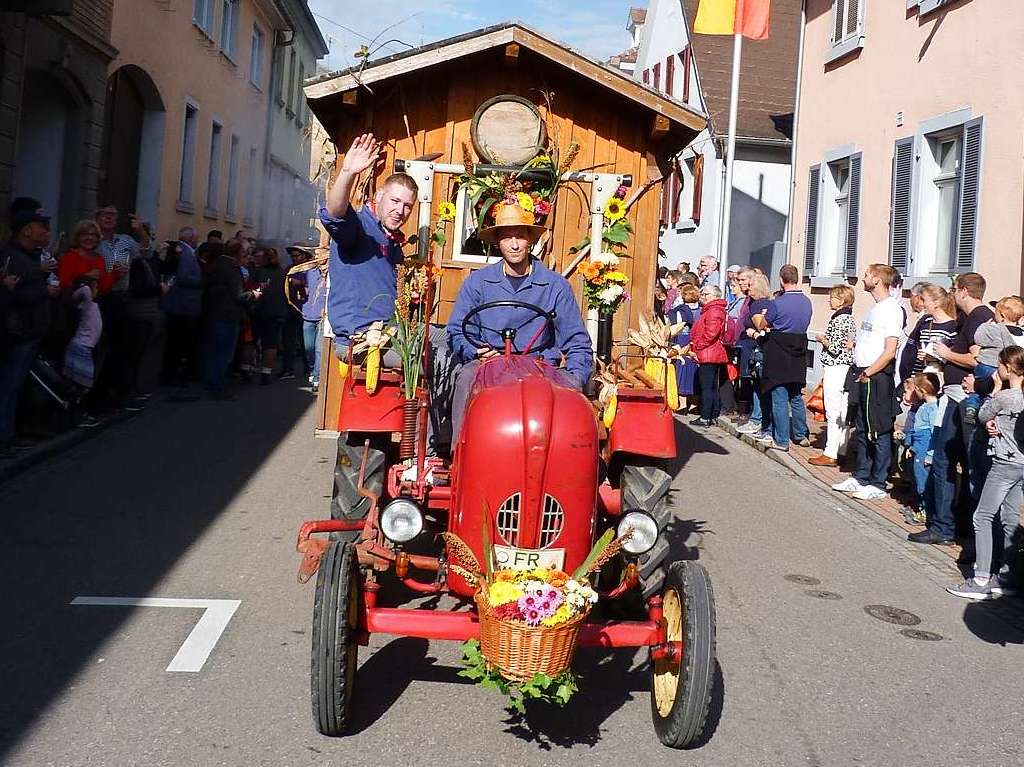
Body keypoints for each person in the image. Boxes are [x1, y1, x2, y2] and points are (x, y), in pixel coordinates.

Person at [447, 203, 593, 438]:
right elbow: (457, 331)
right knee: (465, 379)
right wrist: (475, 351)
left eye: (520, 237)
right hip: (488, 365)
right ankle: (461, 456)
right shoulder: (477, 283)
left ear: (530, 240)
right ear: (497, 242)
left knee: (563, 415)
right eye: (507, 237)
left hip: (539, 368)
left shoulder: (555, 286)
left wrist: (574, 379)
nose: (514, 245)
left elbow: (577, 342)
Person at [320, 132, 417, 365]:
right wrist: (348, 172)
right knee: (438, 359)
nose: (400, 211)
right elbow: (333, 213)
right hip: (361, 340)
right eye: (395, 201)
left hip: (389, 332)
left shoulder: (392, 243)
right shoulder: (360, 227)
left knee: (451, 339)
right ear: (380, 195)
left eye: (407, 206)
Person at [912, 273, 994, 544]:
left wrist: (947, 355)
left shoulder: (980, 317)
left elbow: (976, 358)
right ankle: (945, 526)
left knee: (964, 464)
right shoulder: (968, 318)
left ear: (963, 291)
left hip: (964, 398)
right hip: (954, 395)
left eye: (954, 289)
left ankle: (964, 532)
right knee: (946, 459)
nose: (951, 295)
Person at [946, 345, 1024, 600]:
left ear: (1007, 368)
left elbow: (982, 414)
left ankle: (980, 578)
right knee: (1010, 517)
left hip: (1004, 463)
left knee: (983, 516)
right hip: (1021, 464)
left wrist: (995, 389)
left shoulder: (1006, 396)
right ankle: (1007, 576)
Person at [833, 264, 903, 501]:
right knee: (862, 427)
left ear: (877, 279)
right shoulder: (876, 308)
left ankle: (878, 481)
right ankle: (861, 475)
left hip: (876, 376)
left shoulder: (892, 309)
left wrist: (869, 372)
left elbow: (890, 349)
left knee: (879, 429)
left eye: (866, 275)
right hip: (862, 371)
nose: (863, 278)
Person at [0, 201, 58, 455]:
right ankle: (4, 438)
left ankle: (11, 433)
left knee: (16, 385)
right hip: (18, 333)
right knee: (9, 386)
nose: (46, 230)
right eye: (40, 226)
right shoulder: (13, 257)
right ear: (25, 230)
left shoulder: (32, 257)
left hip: (31, 332)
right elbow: (12, 295)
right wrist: (42, 287)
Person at [753, 264, 812, 452]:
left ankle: (781, 440)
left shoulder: (777, 303)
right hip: (800, 348)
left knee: (779, 395)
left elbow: (763, 325)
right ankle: (801, 435)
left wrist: (763, 318)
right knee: (796, 395)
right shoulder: (807, 302)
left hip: (779, 350)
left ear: (781, 280)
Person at [202, 240, 259, 398]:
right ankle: (217, 387)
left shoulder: (218, 263)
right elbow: (239, 294)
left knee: (214, 351)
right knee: (223, 353)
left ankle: (211, 382)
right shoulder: (232, 268)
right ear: (238, 252)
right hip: (227, 314)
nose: (247, 255)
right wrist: (253, 295)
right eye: (245, 251)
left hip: (216, 312)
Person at [809, 284, 856, 467]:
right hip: (845, 368)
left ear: (841, 300)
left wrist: (822, 339)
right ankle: (841, 449)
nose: (829, 300)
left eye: (832, 297)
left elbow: (835, 348)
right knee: (842, 412)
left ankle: (830, 452)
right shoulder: (850, 318)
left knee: (833, 410)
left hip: (836, 368)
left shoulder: (839, 319)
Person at [961, 296, 1024, 423]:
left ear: (1001, 315)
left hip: (987, 366)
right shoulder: (1022, 334)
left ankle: (972, 408)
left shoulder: (994, 329)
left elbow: (978, 338)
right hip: (1009, 376)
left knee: (978, 392)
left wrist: (985, 325)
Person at [161, 226, 203, 386]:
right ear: (190, 238)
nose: (197, 240)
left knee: (175, 343)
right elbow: (183, 277)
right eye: (196, 237)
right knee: (177, 343)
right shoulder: (185, 253)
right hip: (182, 304)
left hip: (179, 304)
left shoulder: (180, 250)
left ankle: (170, 374)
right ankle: (170, 376)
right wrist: (199, 281)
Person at [898, 372, 941, 526]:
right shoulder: (924, 407)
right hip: (918, 446)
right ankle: (919, 505)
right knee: (916, 476)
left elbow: (933, 433)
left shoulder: (933, 409)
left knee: (923, 479)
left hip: (925, 448)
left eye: (915, 388)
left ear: (922, 390)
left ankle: (926, 510)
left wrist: (930, 455)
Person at [737, 272, 773, 437]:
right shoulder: (755, 303)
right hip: (755, 349)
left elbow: (762, 328)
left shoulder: (759, 305)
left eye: (750, 285)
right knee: (755, 384)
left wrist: (752, 333)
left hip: (758, 349)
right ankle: (758, 419)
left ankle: (757, 420)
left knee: (758, 385)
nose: (747, 288)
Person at [687, 284, 729, 427]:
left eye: (706, 294)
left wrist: (698, 345)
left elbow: (711, 333)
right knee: (711, 386)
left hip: (708, 352)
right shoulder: (712, 310)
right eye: (702, 294)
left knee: (707, 387)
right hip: (710, 351)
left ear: (716, 296)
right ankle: (712, 415)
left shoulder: (714, 310)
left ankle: (706, 416)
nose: (703, 297)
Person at [253, 247, 288, 385]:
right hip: (277, 313)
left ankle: (247, 369)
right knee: (271, 344)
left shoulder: (258, 272)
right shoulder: (282, 273)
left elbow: (254, 291)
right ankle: (266, 373)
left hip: (259, 311)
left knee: (252, 341)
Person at [57, 220, 119, 296]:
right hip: (74, 304)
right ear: (78, 237)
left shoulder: (99, 259)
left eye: (93, 235)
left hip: (95, 304)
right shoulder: (70, 257)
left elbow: (104, 288)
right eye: (85, 234)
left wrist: (117, 272)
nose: (89, 238)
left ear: (98, 238)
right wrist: (85, 277)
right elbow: (63, 284)